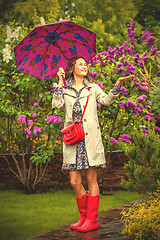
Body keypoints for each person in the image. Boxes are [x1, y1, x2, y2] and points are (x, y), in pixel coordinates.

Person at [52, 56, 134, 232]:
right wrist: (59, 81)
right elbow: (56, 104)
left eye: (85, 64)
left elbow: (106, 100)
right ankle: (83, 217)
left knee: (91, 179)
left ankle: (92, 219)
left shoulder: (93, 88)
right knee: (75, 182)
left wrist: (118, 84)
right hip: (73, 140)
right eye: (80, 64)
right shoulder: (65, 89)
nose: (85, 66)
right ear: (72, 67)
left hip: (90, 139)